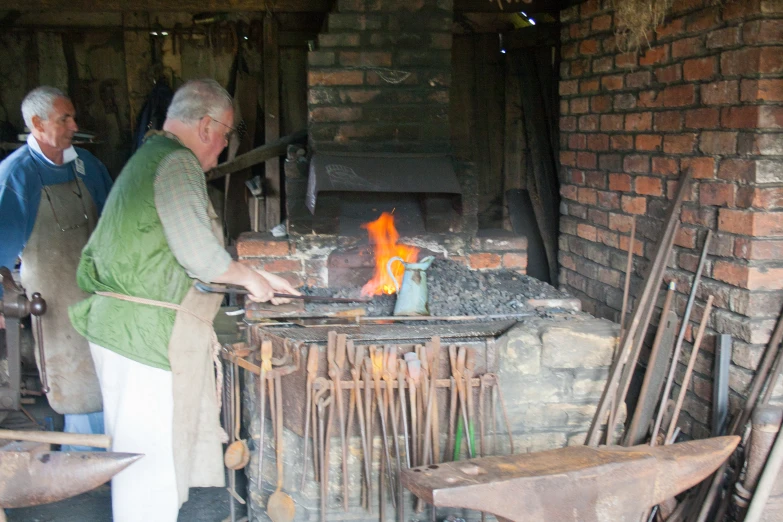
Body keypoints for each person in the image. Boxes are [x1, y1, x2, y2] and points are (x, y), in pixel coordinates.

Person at [69, 79, 300, 522]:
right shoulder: (176, 163)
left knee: (148, 464)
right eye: (228, 134)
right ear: (208, 126)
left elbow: (187, 255)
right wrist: (249, 279)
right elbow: (202, 259)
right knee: (147, 471)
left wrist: (258, 276)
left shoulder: (153, 158)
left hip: (134, 333)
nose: (225, 147)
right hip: (144, 339)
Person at [0, 86, 112, 446]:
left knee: (108, 375)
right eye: (64, 119)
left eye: (72, 117)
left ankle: (108, 454)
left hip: (98, 293)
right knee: (73, 379)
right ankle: (81, 457)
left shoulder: (88, 166)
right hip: (53, 297)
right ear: (36, 123)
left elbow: (114, 222)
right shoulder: (17, 175)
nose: (73, 126)